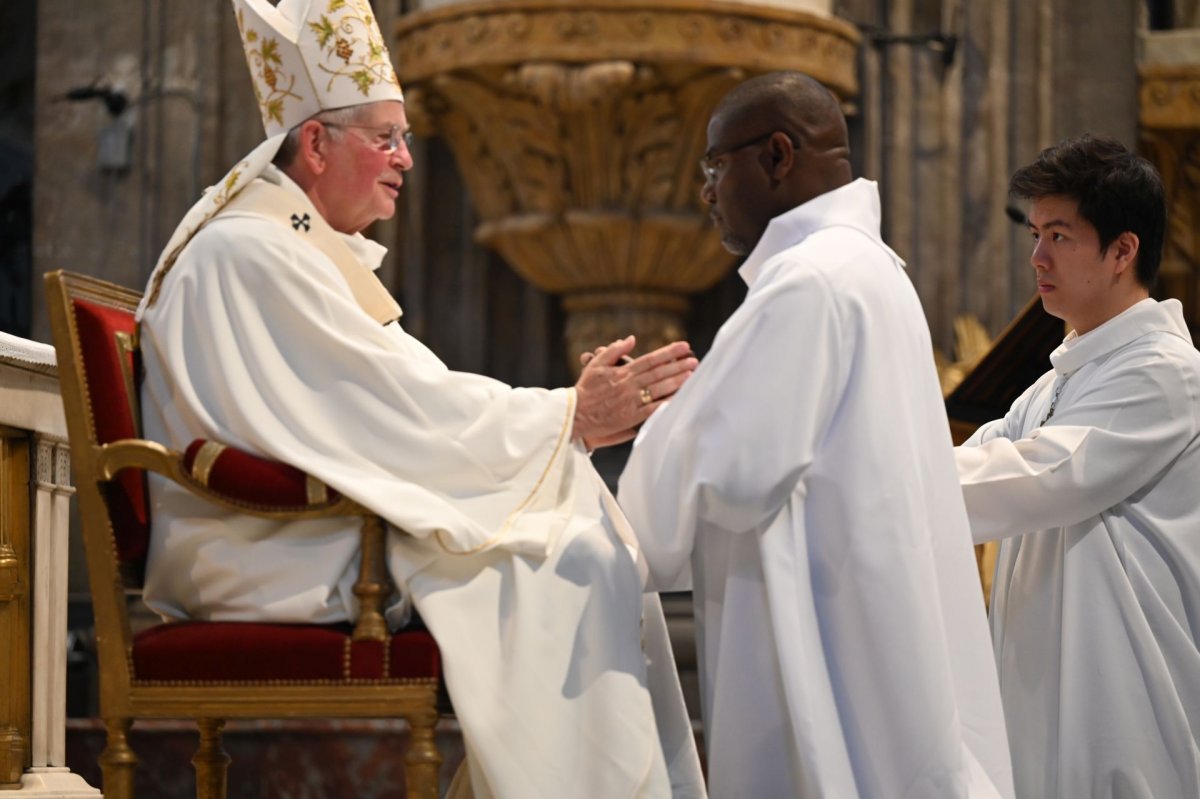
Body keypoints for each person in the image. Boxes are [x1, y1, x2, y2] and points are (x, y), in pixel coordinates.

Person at [135, 1, 705, 796]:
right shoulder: (250, 253)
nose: (406, 158)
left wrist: (561, 419)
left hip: (313, 527)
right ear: (314, 142)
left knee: (579, 543)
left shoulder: (296, 245)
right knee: (566, 561)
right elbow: (387, 413)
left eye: (404, 138)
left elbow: (402, 400)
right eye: (386, 138)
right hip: (261, 546)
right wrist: (566, 416)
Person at [616, 71, 1015, 798]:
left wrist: (637, 442)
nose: (707, 191)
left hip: (826, 641)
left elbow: (721, 473)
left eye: (714, 166)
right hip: (873, 627)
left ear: (776, 156)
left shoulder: (807, 283)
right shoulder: (875, 271)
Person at [955, 134, 1200, 798]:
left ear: (1123, 250)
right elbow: (970, 462)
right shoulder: (1051, 384)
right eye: (1035, 234)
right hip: (1047, 698)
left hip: (1125, 708)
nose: (1036, 256)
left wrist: (868, 478)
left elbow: (1040, 476)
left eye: (1059, 235)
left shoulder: (1165, 373)